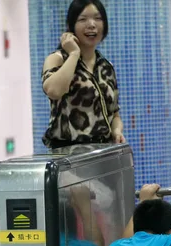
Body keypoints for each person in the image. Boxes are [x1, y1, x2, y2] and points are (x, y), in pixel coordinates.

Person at [41, 0, 125, 149]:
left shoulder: (106, 66)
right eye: (83, 19)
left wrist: (117, 131)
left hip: (102, 154)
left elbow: (114, 115)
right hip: (68, 157)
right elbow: (53, 91)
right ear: (71, 25)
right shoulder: (57, 59)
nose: (92, 24)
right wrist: (74, 53)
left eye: (98, 18)